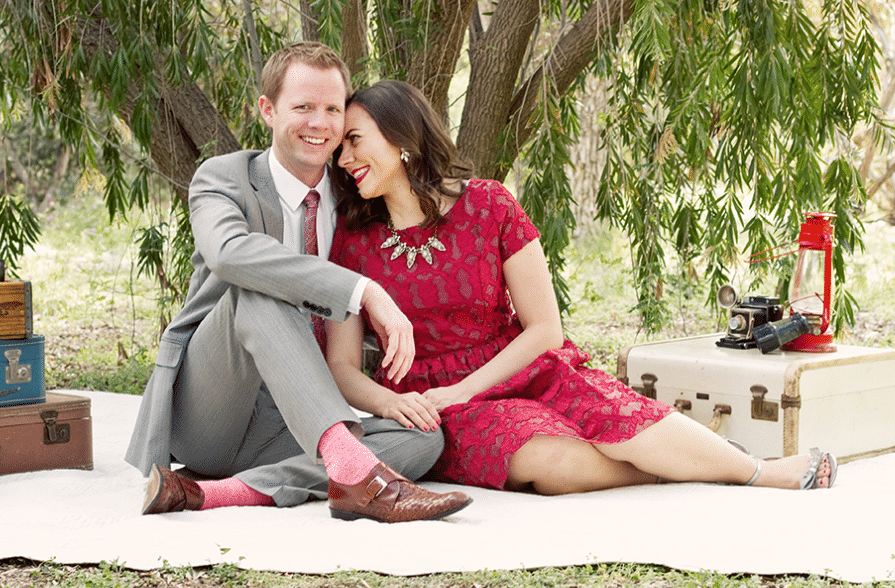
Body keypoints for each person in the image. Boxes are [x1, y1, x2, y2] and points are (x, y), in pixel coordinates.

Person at [325, 79, 837, 495]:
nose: (344, 159)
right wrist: (392, 404)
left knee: (620, 418)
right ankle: (687, 464)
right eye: (340, 148)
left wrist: (467, 385)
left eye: (354, 140)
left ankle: (760, 471)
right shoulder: (352, 240)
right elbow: (343, 367)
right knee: (548, 463)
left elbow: (545, 329)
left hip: (521, 365)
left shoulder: (489, 205)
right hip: (430, 403)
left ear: (401, 138)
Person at [125, 45, 472, 522]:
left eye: (333, 109)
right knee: (259, 285)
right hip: (212, 411)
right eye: (303, 107)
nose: (320, 123)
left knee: (421, 437)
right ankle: (353, 471)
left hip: (296, 421)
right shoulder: (224, 178)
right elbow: (229, 253)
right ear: (267, 110)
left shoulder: (357, 195)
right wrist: (362, 290)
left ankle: (208, 494)